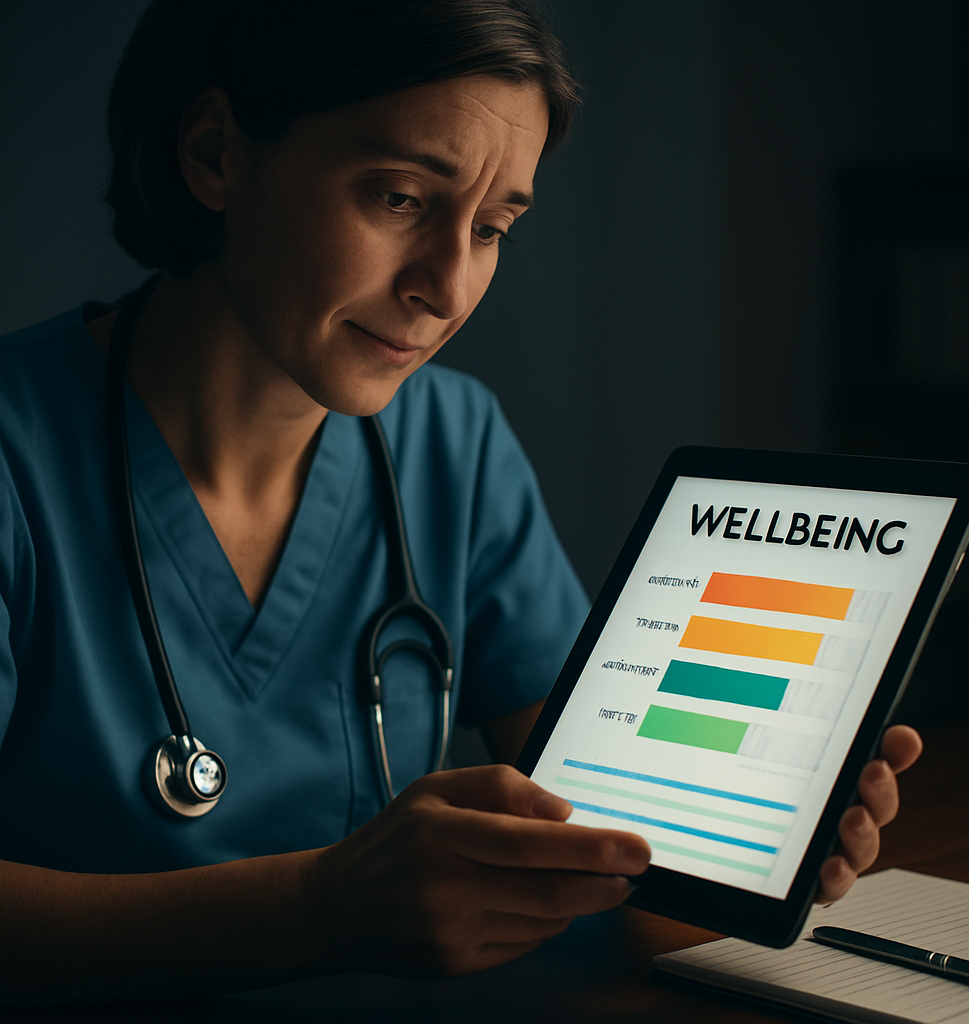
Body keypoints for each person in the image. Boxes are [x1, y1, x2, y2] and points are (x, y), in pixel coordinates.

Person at [0, 0, 922, 1004]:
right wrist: (321, 908)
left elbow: (598, 833)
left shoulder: (454, 441)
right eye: (399, 199)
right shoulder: (18, 456)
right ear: (217, 153)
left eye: (490, 228)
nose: (446, 286)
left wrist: (751, 839)